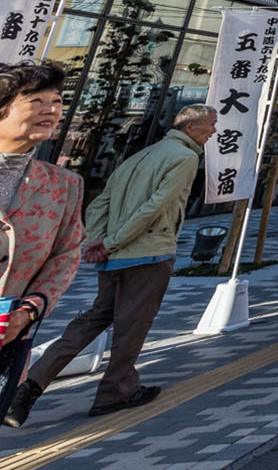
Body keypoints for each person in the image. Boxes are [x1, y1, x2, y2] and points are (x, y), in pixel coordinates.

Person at [10, 104, 216, 425]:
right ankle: (115, 393)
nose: (214, 132)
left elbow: (101, 203)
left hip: (114, 257)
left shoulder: (140, 156)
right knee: (132, 327)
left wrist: (98, 241)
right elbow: (156, 207)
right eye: (210, 126)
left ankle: (28, 387)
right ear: (190, 128)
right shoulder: (185, 158)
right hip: (147, 253)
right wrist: (110, 242)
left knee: (92, 319)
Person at [0, 63, 83, 419]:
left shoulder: (64, 184)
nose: (51, 109)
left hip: (9, 334)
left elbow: (65, 256)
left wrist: (29, 309)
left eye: (57, 100)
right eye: (36, 100)